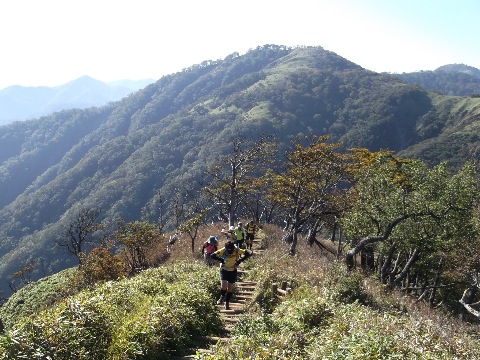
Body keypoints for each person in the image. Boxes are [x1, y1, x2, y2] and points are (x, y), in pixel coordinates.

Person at [209, 240, 252, 310]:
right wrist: (221, 260)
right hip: (224, 269)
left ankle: (227, 303)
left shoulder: (237, 249)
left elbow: (247, 253)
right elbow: (212, 255)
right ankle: (222, 297)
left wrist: (239, 261)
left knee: (230, 287)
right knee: (224, 285)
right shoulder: (223, 250)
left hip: (232, 270)